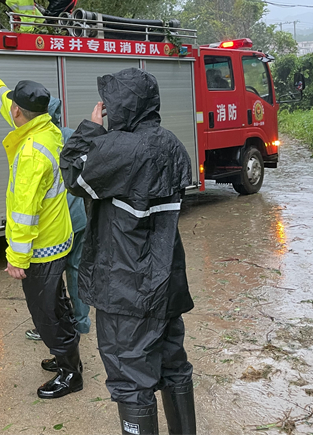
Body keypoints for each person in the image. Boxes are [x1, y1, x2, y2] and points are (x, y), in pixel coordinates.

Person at [60, 68, 196, 435]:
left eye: (109, 101)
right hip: (166, 279)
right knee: (173, 364)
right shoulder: (171, 143)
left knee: (129, 378)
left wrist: (90, 130)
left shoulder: (119, 148)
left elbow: (73, 175)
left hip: (126, 287)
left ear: (121, 106)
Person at [0, 66, 82, 399]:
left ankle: (70, 373)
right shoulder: (45, 129)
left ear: (18, 112)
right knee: (59, 304)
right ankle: (69, 359)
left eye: (13, 105)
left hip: (41, 249)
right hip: (59, 238)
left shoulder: (30, 154)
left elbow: (24, 214)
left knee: (46, 314)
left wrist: (16, 258)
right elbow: (5, 100)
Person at [26, 98, 90, 345]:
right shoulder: (73, 136)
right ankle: (81, 322)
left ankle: (50, 328)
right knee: (76, 272)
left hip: (56, 225)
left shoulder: (38, 142)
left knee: (49, 281)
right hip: (79, 219)